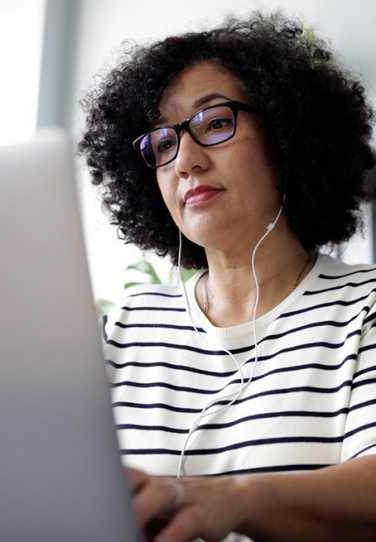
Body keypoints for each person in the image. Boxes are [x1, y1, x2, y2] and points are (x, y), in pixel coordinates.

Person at [79, 13, 376, 542]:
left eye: (215, 123)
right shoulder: (124, 328)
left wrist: (232, 500)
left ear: (286, 137)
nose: (186, 161)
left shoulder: (365, 307)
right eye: (163, 143)